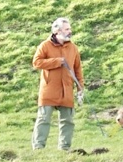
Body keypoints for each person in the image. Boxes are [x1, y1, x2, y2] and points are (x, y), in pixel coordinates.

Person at [32, 17, 83, 151]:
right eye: (67, 29)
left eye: (69, 29)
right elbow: (36, 62)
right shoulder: (44, 46)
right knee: (43, 119)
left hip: (67, 90)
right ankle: (38, 147)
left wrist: (80, 88)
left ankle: (65, 148)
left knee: (68, 121)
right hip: (48, 90)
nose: (70, 31)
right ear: (57, 31)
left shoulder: (73, 48)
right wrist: (56, 61)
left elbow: (78, 69)